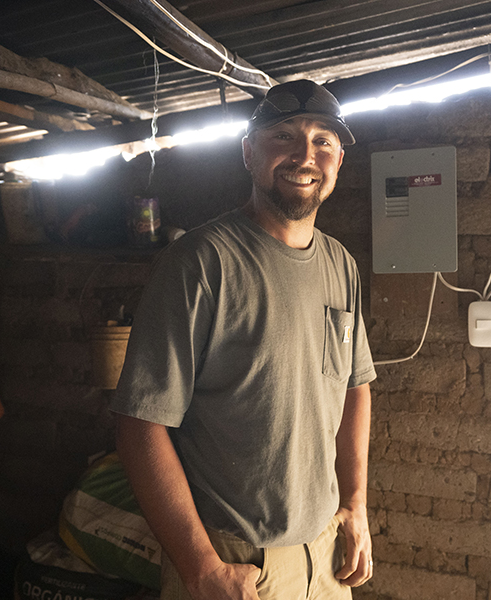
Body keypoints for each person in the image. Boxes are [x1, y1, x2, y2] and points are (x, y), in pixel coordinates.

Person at [110, 79, 377, 600]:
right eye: (284, 136)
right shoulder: (200, 264)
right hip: (232, 564)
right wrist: (201, 569)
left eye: (324, 141)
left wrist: (356, 504)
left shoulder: (340, 264)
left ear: (338, 161)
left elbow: (355, 386)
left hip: (324, 560)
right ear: (249, 153)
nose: (305, 155)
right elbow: (140, 423)